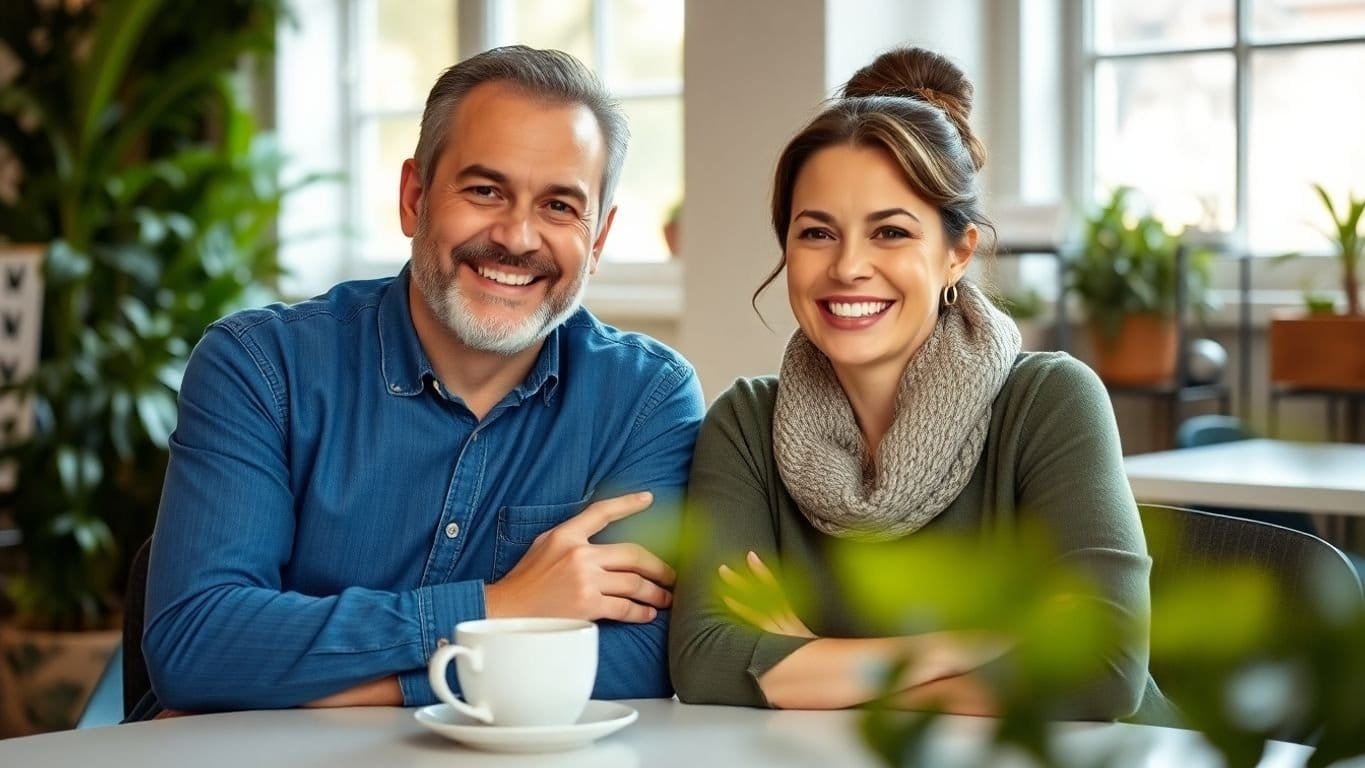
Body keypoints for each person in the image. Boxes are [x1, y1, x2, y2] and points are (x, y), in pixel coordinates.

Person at [139, 45, 704, 715]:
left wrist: (355, 690)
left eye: (558, 206)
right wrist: (498, 607)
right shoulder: (260, 367)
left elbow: (638, 657)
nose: (517, 237)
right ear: (414, 198)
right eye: (485, 190)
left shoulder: (644, 398)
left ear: (599, 240)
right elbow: (198, 644)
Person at [669, 47, 1165, 721]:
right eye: (816, 233)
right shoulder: (746, 425)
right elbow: (706, 660)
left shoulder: (1049, 401)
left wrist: (815, 663)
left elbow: (1100, 671)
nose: (848, 267)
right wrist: (975, 646)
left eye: (890, 233)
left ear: (956, 253)